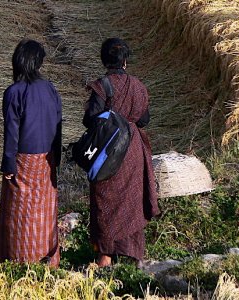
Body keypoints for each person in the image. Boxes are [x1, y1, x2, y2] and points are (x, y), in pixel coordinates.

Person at [83, 38, 160, 267]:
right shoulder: (138, 86)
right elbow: (144, 120)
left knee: (105, 199)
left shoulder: (102, 86)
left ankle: (104, 256)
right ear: (125, 62)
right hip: (133, 150)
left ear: (104, 60)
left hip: (107, 151)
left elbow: (89, 120)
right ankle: (133, 254)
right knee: (131, 200)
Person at [0, 39, 62, 267]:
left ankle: (18, 259)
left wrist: (8, 163)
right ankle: (47, 258)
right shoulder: (50, 89)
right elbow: (58, 125)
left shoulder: (14, 92)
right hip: (47, 159)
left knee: (19, 211)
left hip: (23, 160)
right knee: (43, 211)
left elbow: (11, 132)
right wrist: (57, 159)